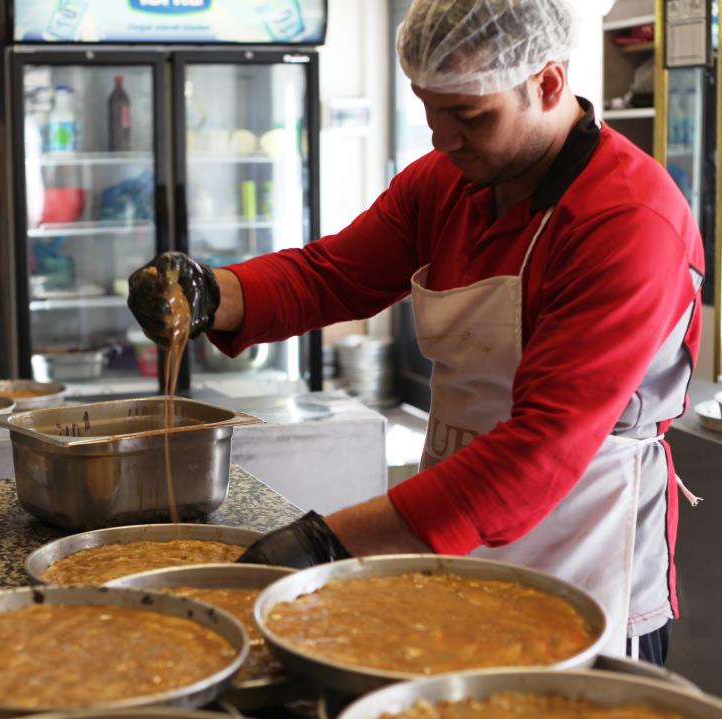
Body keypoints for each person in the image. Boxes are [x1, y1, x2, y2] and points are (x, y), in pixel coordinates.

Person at [128, 0, 704, 665]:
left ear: (546, 84)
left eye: (468, 115)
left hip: (581, 553)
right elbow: (331, 275)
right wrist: (212, 294)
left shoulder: (627, 220)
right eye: (430, 109)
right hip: (445, 529)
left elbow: (535, 451)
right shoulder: (448, 182)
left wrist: (327, 542)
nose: (441, 138)